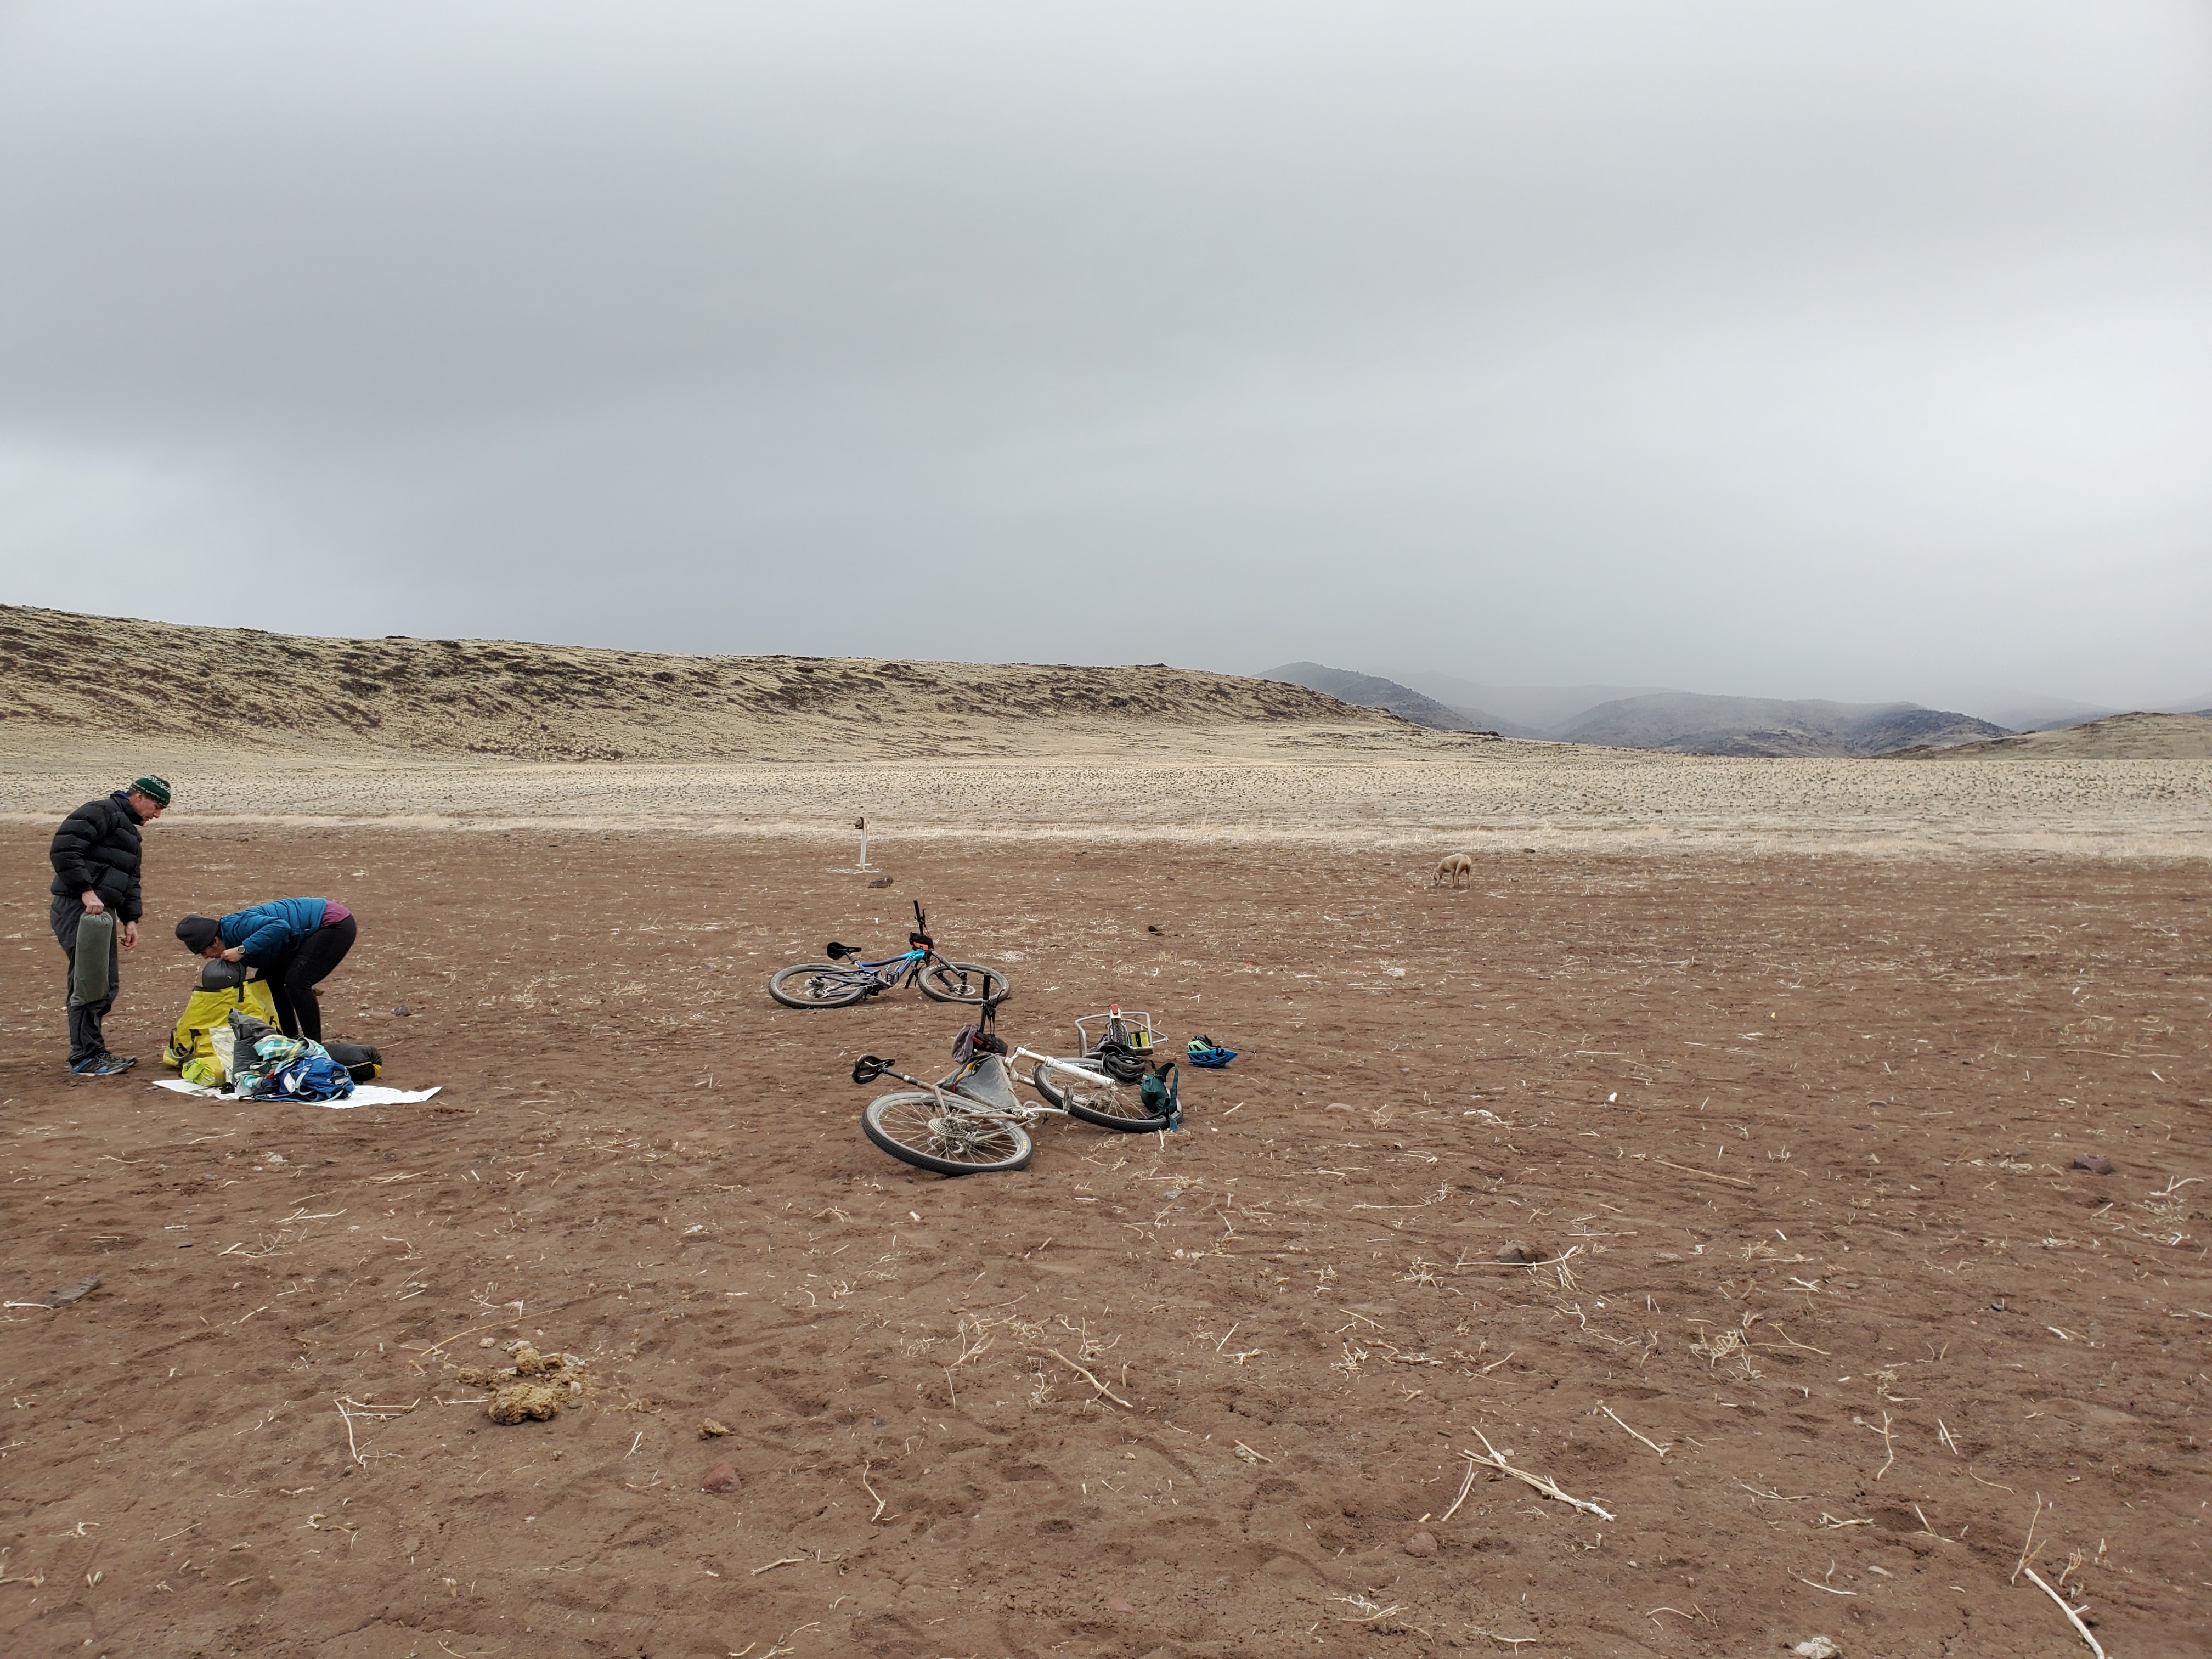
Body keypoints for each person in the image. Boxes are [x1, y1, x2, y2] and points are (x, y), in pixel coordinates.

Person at [48, 776, 171, 1075]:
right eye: (156, 807)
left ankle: (94, 1050)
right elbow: (64, 849)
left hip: (101, 915)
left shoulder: (128, 831)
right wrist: (85, 890)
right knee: (89, 982)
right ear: (139, 797)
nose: (156, 815)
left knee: (105, 985)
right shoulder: (101, 811)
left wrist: (131, 919)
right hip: (79, 908)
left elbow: (130, 880)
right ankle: (84, 1056)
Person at [176, 899, 357, 1042]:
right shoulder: (227, 940)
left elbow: (281, 926)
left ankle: (313, 1046)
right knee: (267, 981)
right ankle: (291, 1037)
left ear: (215, 941)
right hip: (301, 937)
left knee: (298, 982)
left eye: (203, 952)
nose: (205, 957)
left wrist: (242, 950)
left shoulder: (239, 927)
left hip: (332, 924)